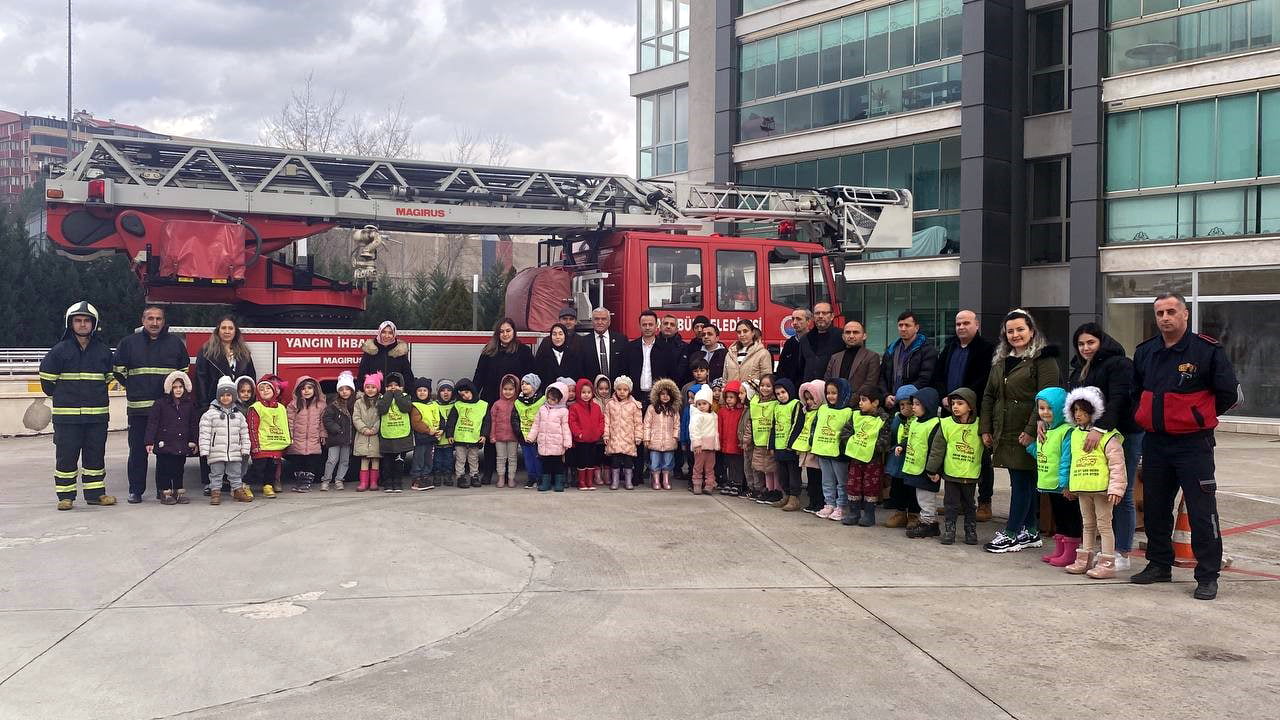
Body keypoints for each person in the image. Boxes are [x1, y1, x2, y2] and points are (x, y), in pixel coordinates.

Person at [1130, 292, 1238, 601]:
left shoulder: (1207, 350)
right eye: (1160, 313)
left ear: (1185, 314)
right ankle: (1158, 564)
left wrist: (1195, 416)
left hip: (1194, 444)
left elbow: (1227, 393)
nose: (1165, 317)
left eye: (1171, 311)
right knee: (1155, 508)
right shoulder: (1145, 352)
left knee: (1202, 512)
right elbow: (1136, 391)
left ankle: (1207, 575)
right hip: (1156, 443)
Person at [981, 309, 1061, 554]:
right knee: (1022, 480)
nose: (1015, 335)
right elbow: (989, 396)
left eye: (1020, 329)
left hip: (1027, 430)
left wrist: (1030, 430)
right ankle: (1031, 530)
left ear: (1032, 331)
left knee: (1022, 482)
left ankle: (1011, 532)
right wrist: (985, 427)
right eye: (1010, 330)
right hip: (1004, 429)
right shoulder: (1001, 361)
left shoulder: (1043, 360)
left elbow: (1046, 398)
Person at [1065, 323, 1142, 571]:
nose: (1085, 348)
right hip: (1090, 437)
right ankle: (1100, 549)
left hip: (1123, 434)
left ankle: (1121, 551)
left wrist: (1101, 428)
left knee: (1120, 491)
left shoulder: (1119, 364)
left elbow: (1120, 399)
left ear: (1102, 342)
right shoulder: (1078, 368)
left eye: (1091, 342)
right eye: (1081, 344)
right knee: (1093, 491)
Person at [41, 301, 116, 510]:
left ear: (94, 324)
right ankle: (66, 496)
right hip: (67, 418)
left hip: (96, 418)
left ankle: (95, 494)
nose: (83, 325)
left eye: (86, 321)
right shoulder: (59, 351)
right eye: (78, 321)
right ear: (70, 323)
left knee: (95, 456)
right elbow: (47, 383)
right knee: (66, 457)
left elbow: (108, 378)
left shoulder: (102, 352)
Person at [113, 305, 190, 504]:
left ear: (164, 321)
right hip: (139, 409)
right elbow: (118, 371)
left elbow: (182, 373)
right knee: (138, 452)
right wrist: (134, 386)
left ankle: (162, 490)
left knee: (165, 453)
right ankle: (135, 490)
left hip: (167, 411)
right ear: (143, 320)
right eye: (150, 318)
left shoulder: (175, 344)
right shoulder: (128, 343)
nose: (154, 322)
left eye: (158, 319)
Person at [933, 310, 997, 521]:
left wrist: (963, 400)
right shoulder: (950, 346)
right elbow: (938, 374)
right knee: (953, 454)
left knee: (980, 456)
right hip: (949, 410)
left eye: (966, 323)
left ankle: (984, 502)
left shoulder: (986, 349)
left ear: (976, 325)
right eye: (958, 323)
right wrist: (945, 397)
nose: (961, 327)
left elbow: (984, 379)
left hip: (975, 411)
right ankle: (957, 501)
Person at [1061, 387, 1128, 579]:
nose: (1078, 415)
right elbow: (1071, 461)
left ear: (1095, 411)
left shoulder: (1108, 437)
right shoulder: (1074, 434)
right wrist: (1068, 485)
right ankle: (1085, 558)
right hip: (1083, 488)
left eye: (1083, 411)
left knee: (1104, 525)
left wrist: (1116, 488)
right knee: (1087, 524)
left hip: (1102, 490)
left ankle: (1107, 562)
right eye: (1075, 411)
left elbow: (1117, 464)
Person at [194, 316, 257, 492]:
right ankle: (211, 482)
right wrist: (203, 404)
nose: (227, 331)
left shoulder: (244, 352)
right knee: (214, 442)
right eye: (224, 328)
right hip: (215, 403)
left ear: (235, 331)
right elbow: (200, 378)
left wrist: (250, 402)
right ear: (217, 330)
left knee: (233, 442)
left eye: (231, 328)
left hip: (238, 406)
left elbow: (251, 378)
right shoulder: (207, 351)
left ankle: (234, 479)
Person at [474, 318, 535, 485]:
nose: (505, 334)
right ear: (497, 334)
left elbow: (531, 377)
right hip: (492, 401)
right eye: (501, 331)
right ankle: (487, 473)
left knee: (513, 439)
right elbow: (479, 375)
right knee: (492, 438)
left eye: (508, 330)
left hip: (516, 404)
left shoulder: (523, 351)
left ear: (514, 332)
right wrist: (474, 396)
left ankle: (510, 475)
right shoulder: (488, 351)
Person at [926, 387, 982, 544]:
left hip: (971, 474)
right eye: (953, 403)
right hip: (951, 473)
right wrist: (932, 468)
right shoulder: (946, 424)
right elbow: (937, 449)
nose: (955, 407)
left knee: (970, 505)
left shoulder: (979, 425)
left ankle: (970, 531)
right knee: (950, 504)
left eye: (960, 403)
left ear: (970, 406)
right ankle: (949, 530)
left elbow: (986, 447)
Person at [1029, 387, 1078, 567]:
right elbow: (1047, 455)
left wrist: (1065, 483)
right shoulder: (1047, 429)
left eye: (1050, 408)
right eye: (1042, 409)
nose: (1045, 412)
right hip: (1050, 483)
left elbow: (1066, 459)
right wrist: (1031, 447)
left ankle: (1071, 552)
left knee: (1069, 517)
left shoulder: (1066, 431)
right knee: (1059, 518)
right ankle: (1060, 549)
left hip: (1062, 485)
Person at [145, 369, 201, 505]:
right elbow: (152, 423)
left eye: (180, 387)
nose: (178, 390)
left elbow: (193, 424)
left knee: (179, 469)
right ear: (169, 388)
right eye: (174, 387)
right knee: (165, 468)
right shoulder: (160, 404)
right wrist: (149, 441)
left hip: (181, 443)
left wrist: (194, 441)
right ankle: (165, 492)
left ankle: (178, 490)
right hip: (164, 443)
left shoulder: (189, 405)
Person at [843, 384, 891, 527]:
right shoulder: (855, 415)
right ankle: (853, 512)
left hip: (873, 460)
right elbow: (846, 432)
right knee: (853, 484)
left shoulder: (883, 418)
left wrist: (873, 448)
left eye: (864, 400)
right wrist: (851, 443)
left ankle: (869, 514)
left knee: (871, 486)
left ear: (875, 402)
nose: (860, 403)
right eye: (860, 400)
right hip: (855, 458)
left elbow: (885, 438)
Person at [199, 375, 252, 504]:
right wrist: (204, 450)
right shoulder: (210, 414)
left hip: (234, 451)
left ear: (233, 396)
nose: (225, 397)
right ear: (218, 397)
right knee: (216, 473)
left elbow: (244, 433)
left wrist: (245, 448)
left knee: (235, 473)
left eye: (229, 395)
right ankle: (215, 493)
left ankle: (238, 491)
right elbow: (204, 433)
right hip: (216, 451)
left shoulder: (238, 415)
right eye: (222, 395)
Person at [899, 387, 943, 537]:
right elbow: (912, 438)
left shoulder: (935, 424)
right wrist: (902, 446)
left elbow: (937, 450)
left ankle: (929, 523)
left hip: (928, 470)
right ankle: (925, 520)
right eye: (913, 404)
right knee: (921, 497)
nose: (913, 407)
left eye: (917, 404)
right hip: (916, 466)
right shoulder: (916, 422)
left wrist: (935, 470)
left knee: (927, 498)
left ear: (928, 405)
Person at [812, 378, 855, 522]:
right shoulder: (823, 409)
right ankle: (829, 503)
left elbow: (849, 432)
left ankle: (841, 506)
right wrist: (812, 442)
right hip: (823, 450)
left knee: (841, 481)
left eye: (834, 393)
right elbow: (815, 426)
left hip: (839, 453)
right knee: (827, 480)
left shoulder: (849, 412)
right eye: (828, 393)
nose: (830, 396)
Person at [881, 311, 939, 412]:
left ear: (916, 328)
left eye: (907, 325)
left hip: (915, 404)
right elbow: (882, 376)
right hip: (892, 402)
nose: (903, 329)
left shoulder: (927, 350)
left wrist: (903, 396)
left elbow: (925, 379)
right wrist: (886, 395)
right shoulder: (891, 349)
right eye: (900, 325)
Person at [882, 385, 922, 528]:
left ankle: (913, 514)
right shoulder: (897, 419)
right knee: (898, 487)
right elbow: (891, 435)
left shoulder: (920, 421)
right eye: (901, 404)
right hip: (897, 461)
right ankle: (900, 512)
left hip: (912, 461)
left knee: (912, 489)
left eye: (909, 404)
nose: (905, 407)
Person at [246, 375, 290, 499]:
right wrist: (254, 445)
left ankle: (268, 485)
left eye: (268, 388)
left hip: (276, 444)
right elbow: (252, 428)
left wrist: (286, 443)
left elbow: (284, 426)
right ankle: (245, 485)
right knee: (258, 468)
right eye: (262, 389)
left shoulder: (281, 408)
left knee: (272, 467)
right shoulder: (256, 408)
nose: (265, 391)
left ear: (274, 391)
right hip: (261, 445)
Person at [284, 376, 326, 493]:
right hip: (297, 439)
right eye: (303, 388)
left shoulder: (320, 406)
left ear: (315, 390)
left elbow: (322, 422)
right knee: (298, 461)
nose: (306, 391)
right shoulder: (293, 405)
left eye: (310, 388)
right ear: (298, 390)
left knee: (311, 462)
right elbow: (290, 421)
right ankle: (299, 482)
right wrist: (290, 436)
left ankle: (307, 483)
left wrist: (323, 434)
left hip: (313, 440)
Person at [444, 378, 489, 489]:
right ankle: (460, 477)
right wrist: (449, 434)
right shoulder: (458, 405)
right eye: (462, 395)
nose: (466, 396)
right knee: (460, 459)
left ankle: (474, 475)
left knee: (473, 459)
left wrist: (484, 434)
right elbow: (452, 420)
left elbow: (486, 422)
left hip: (474, 438)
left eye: (467, 392)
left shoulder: (482, 405)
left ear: (472, 390)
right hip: (460, 438)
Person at [528, 381, 572, 492]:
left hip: (557, 444)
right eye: (549, 398)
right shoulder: (542, 409)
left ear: (560, 399)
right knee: (546, 465)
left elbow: (565, 427)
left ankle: (559, 483)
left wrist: (567, 442)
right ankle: (546, 483)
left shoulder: (563, 411)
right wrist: (531, 437)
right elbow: (536, 424)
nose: (550, 401)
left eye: (553, 399)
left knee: (558, 465)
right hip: (545, 443)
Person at [793, 379, 828, 513]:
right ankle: (813, 501)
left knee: (819, 478)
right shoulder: (805, 411)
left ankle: (820, 502)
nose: (809, 402)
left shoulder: (823, 412)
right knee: (811, 478)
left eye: (812, 398)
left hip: (816, 450)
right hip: (806, 449)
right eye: (806, 399)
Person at [603, 375, 643, 490]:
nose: (622, 392)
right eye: (619, 389)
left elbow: (638, 423)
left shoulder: (634, 405)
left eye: (625, 390)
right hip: (615, 437)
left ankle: (628, 480)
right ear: (615, 390)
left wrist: (638, 436)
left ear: (629, 391)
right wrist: (606, 434)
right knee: (615, 460)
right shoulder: (610, 404)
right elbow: (607, 421)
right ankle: (615, 480)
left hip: (628, 438)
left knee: (628, 461)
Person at [742, 374, 778, 501]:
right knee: (762, 468)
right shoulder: (755, 402)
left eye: (768, 386)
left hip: (771, 442)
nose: (765, 388)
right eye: (762, 385)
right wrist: (746, 440)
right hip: (758, 441)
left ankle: (776, 491)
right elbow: (750, 423)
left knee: (773, 468)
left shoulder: (777, 403)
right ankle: (766, 490)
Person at [377, 372, 414, 493]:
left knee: (399, 462)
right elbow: (382, 409)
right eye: (390, 385)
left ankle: (398, 482)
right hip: (387, 436)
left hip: (401, 436)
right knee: (387, 463)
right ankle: (388, 482)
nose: (393, 387)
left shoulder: (405, 397)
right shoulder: (382, 398)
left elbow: (405, 408)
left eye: (396, 385)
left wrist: (397, 394)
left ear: (402, 387)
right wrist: (388, 395)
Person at [768, 379, 802, 508]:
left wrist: (791, 443)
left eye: (783, 392)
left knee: (793, 473)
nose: (781, 395)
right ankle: (786, 495)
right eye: (778, 393)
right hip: (779, 446)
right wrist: (771, 445)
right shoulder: (776, 406)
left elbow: (796, 425)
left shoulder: (795, 404)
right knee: (782, 474)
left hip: (790, 448)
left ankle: (794, 498)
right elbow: (773, 426)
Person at [643, 378, 681, 490]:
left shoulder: (673, 410)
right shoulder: (652, 408)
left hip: (669, 441)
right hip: (655, 441)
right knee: (654, 462)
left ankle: (665, 479)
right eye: (662, 394)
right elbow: (647, 424)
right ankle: (655, 479)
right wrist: (646, 438)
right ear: (658, 395)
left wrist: (675, 437)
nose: (665, 396)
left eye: (668, 394)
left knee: (668, 462)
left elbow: (677, 424)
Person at [321, 371, 357, 492]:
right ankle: (326, 480)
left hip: (347, 440)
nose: (344, 392)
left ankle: (339, 480)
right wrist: (335, 428)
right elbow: (327, 418)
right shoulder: (333, 405)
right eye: (341, 389)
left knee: (345, 461)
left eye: (347, 389)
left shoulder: (355, 404)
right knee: (331, 460)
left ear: (352, 390)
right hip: (335, 439)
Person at [825, 321, 881, 396]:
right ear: (843, 336)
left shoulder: (872, 357)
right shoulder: (835, 358)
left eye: (855, 332)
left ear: (864, 336)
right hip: (834, 403)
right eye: (848, 332)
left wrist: (849, 401)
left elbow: (870, 384)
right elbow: (827, 380)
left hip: (858, 405)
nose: (851, 336)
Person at [356, 321, 413, 391]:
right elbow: (362, 375)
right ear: (379, 332)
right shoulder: (370, 351)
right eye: (384, 332)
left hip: (394, 395)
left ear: (394, 334)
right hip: (374, 395)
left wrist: (406, 393)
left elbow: (408, 376)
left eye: (390, 333)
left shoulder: (400, 352)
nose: (386, 336)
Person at [722, 320, 773, 397]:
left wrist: (746, 389)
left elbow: (767, 381)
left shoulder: (763, 353)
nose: (742, 334)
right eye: (739, 332)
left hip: (752, 399)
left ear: (752, 333)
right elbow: (725, 380)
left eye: (745, 331)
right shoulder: (730, 354)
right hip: (732, 401)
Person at [489, 374, 522, 488]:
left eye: (511, 389)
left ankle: (511, 478)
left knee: (512, 458)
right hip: (499, 437)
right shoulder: (497, 404)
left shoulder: (518, 404)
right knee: (500, 458)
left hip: (513, 437)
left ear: (516, 390)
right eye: (505, 389)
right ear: (501, 389)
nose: (507, 392)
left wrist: (520, 435)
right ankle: (501, 478)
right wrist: (492, 435)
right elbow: (493, 421)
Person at [352, 372, 383, 491]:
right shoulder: (359, 402)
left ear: (378, 388)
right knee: (364, 459)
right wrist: (364, 429)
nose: (370, 390)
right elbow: (356, 417)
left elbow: (382, 417)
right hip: (363, 435)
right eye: (367, 387)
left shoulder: (381, 401)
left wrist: (375, 429)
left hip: (375, 436)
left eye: (373, 387)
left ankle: (374, 482)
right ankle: (363, 483)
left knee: (375, 458)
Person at [717, 380, 748, 497]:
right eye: (727, 397)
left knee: (738, 464)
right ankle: (729, 482)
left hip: (737, 444)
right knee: (728, 464)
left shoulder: (741, 411)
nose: (729, 399)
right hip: (726, 443)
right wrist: (719, 442)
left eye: (732, 397)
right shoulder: (722, 411)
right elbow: (719, 428)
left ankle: (738, 483)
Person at [535, 323, 588, 391]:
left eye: (560, 334)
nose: (557, 337)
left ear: (565, 336)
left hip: (569, 395)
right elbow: (538, 375)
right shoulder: (543, 354)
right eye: (554, 334)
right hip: (548, 395)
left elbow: (579, 376)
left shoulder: (574, 355)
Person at [408, 378, 440, 491]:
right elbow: (416, 423)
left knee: (429, 458)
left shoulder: (434, 404)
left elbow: (440, 418)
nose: (422, 393)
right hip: (421, 438)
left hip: (431, 438)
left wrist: (441, 429)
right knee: (419, 458)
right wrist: (428, 430)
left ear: (429, 392)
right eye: (419, 390)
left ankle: (425, 476)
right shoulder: (415, 405)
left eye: (425, 390)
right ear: (415, 392)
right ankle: (416, 478)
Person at [799, 302, 844, 382]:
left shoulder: (841, 336)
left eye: (824, 313)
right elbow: (801, 367)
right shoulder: (805, 339)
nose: (820, 316)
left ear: (832, 316)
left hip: (833, 389)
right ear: (813, 317)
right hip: (809, 389)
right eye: (817, 313)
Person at [515, 374, 545, 489]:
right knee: (528, 458)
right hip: (524, 435)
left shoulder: (542, 400)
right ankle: (531, 478)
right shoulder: (518, 402)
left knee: (538, 458)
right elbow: (515, 418)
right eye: (522, 383)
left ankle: (540, 478)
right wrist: (519, 432)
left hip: (538, 436)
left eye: (527, 383)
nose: (524, 386)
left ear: (535, 386)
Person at [688, 385, 719, 494]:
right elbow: (694, 430)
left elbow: (715, 431)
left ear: (709, 404)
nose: (701, 406)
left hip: (711, 447)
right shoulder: (697, 416)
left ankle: (709, 485)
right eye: (699, 404)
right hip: (700, 447)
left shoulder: (714, 416)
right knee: (698, 467)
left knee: (710, 468)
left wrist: (716, 444)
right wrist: (696, 444)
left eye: (704, 403)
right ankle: (697, 485)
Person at [584, 307, 628, 381]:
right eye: (596, 319)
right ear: (592, 321)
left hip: (617, 389)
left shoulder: (621, 340)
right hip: (593, 389)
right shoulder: (583, 342)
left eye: (603, 319)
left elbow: (626, 366)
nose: (600, 322)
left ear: (609, 322)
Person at [776, 308, 811, 388]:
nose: (794, 322)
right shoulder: (789, 343)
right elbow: (781, 368)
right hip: (789, 390)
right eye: (793, 319)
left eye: (799, 319)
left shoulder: (815, 341)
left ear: (808, 321)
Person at [432, 380, 457, 486]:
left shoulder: (456, 405)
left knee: (448, 460)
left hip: (449, 440)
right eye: (442, 390)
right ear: (438, 392)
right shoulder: (433, 405)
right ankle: (437, 475)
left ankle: (448, 475)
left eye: (449, 390)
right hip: (437, 440)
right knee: (436, 460)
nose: (446, 393)